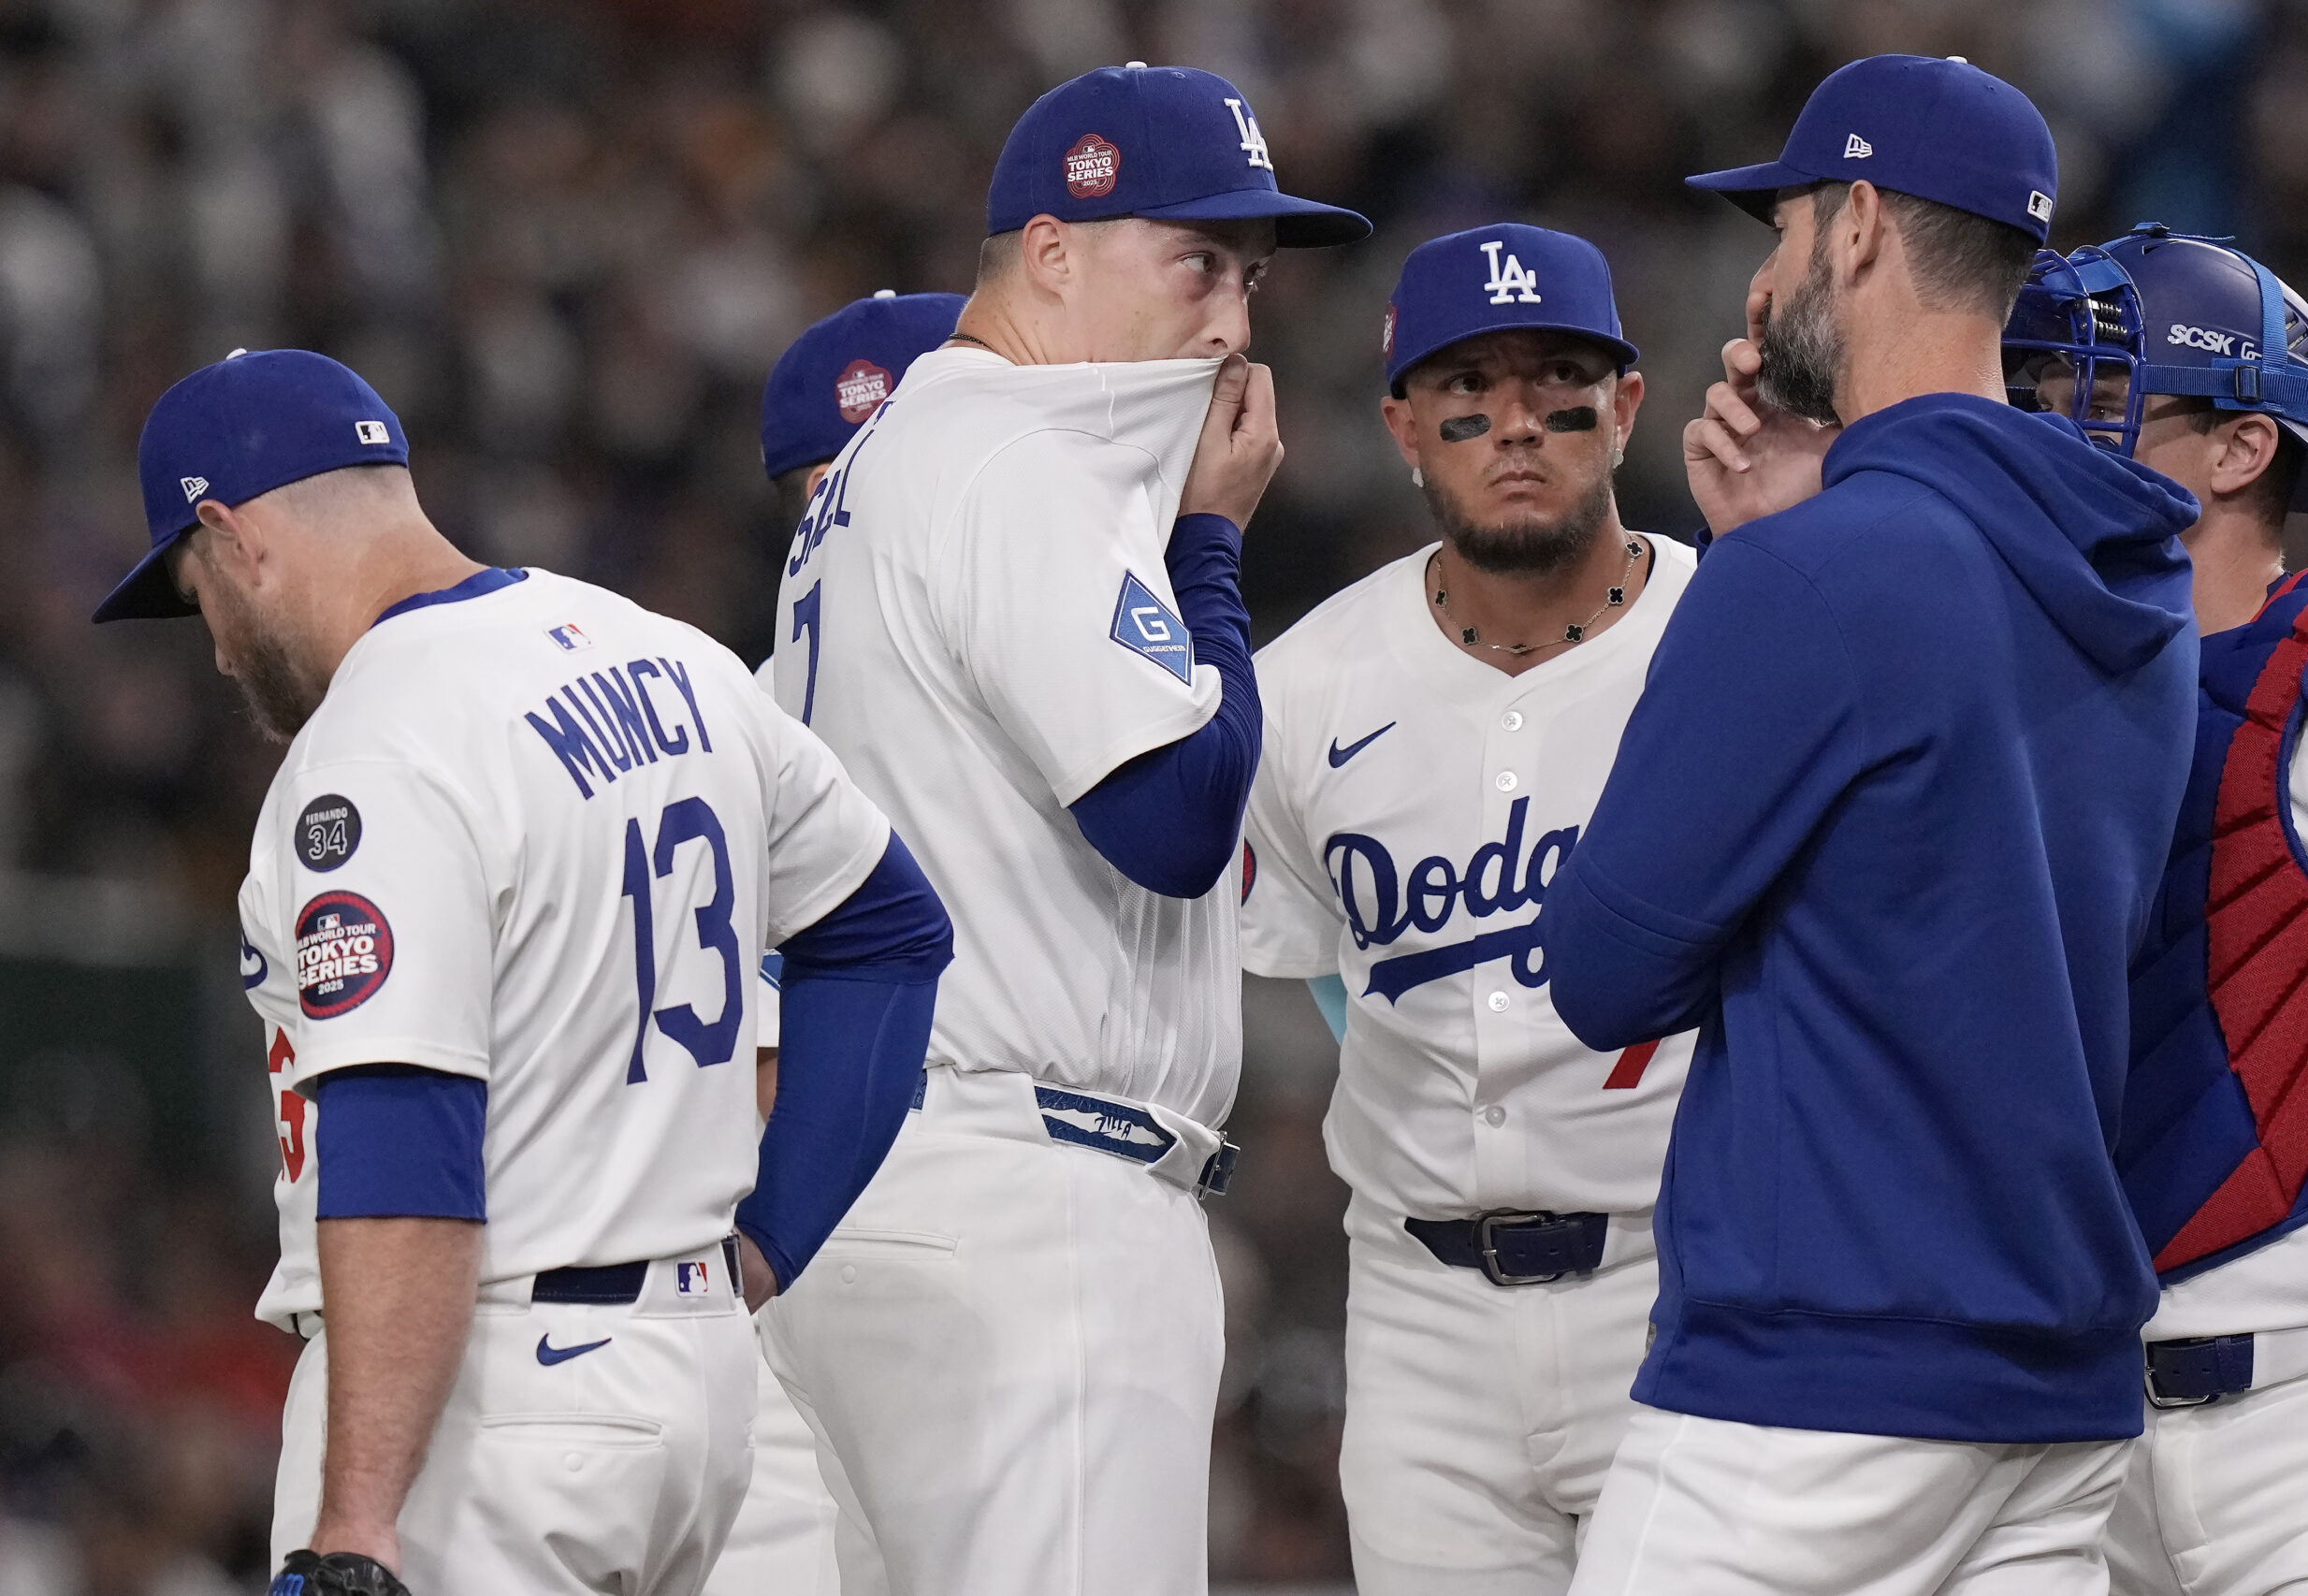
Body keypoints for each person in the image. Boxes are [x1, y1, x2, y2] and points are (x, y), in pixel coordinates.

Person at [91, 349, 951, 1596]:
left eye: (196, 592)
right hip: (696, 1392)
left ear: (234, 536)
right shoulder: (667, 654)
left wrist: (357, 1521)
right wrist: (767, 1244)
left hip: (486, 1403)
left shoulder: (376, 745)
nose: (217, 649)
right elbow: (890, 932)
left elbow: (404, 1138)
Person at [1535, 55, 2204, 1594]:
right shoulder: (2140, 583)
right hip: (2058, 1400)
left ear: (1855, 229)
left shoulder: (1818, 579)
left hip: (1815, 1385)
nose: (1762, 281)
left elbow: (1603, 972)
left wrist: (1771, 567)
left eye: (1779, 232)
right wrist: (1810, 529)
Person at [757, 61, 1368, 1596]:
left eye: (1250, 273)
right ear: (1050, 252)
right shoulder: (1022, 451)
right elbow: (1170, 815)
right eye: (1195, 261)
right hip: (1031, 1214)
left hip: (892, 1189)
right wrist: (1215, 545)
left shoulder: (887, 472)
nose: (1233, 319)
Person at [1238, 223, 1696, 1596]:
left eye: (1556, 380)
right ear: (1403, 427)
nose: (1512, 423)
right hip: (1421, 1316)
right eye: (1465, 391)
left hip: (1683, 1288)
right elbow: (1317, 958)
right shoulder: (1304, 686)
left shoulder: (1730, 637)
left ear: (1624, 407)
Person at [2006, 226, 2308, 1593]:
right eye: (2039, 391)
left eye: (2098, 393)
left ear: (2241, 449)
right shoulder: (1984, 690)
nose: (2053, 430)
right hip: (2058, 1452)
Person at [710, 286, 964, 1596]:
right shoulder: (751, 731)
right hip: (838, 1262)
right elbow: (756, 1085)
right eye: (834, 480)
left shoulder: (749, 713)